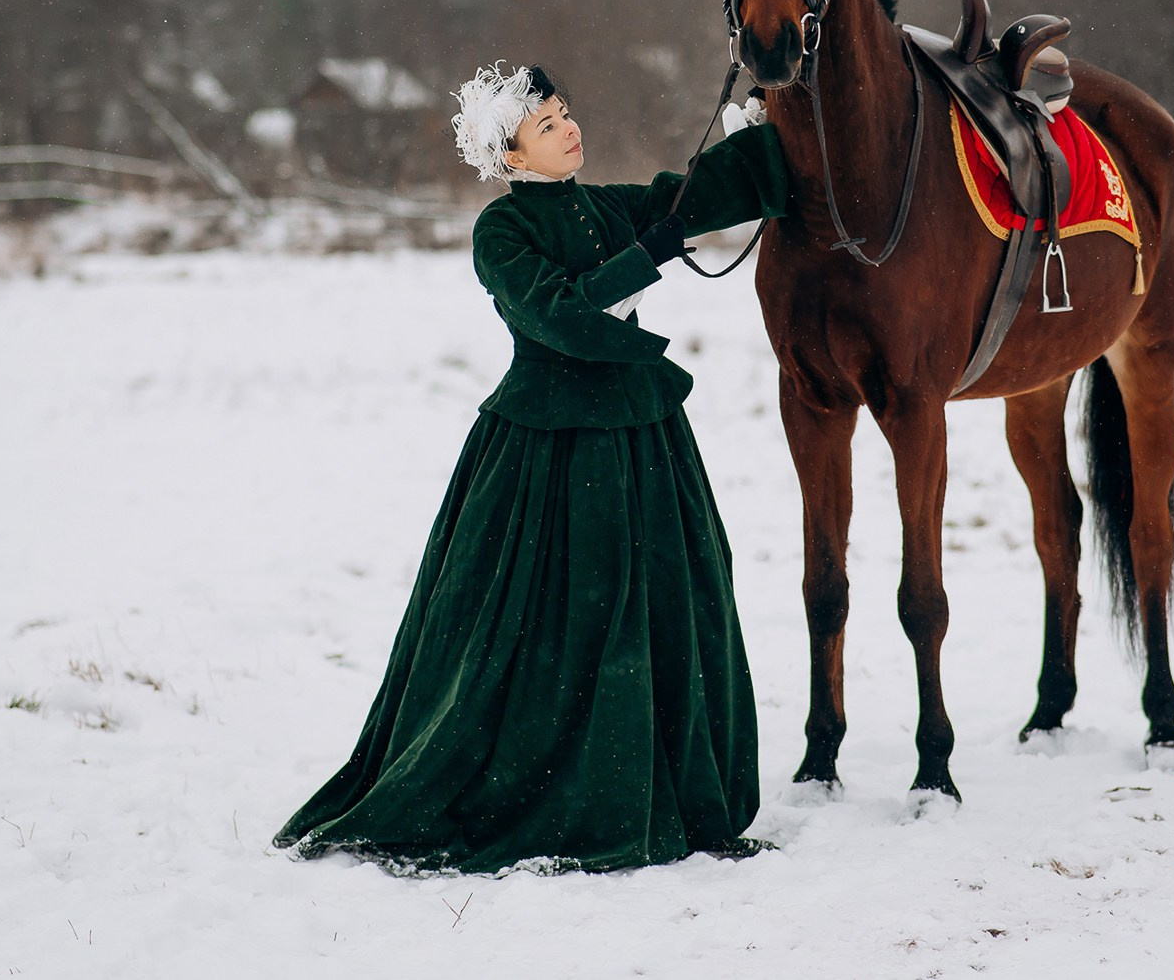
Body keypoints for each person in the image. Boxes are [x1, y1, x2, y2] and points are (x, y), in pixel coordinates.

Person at [273, 63, 789, 874]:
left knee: (670, 600)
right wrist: (644, 256)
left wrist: (762, 140)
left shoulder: (604, 204)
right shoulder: (500, 233)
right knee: (555, 620)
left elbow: (690, 198)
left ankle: (671, 788)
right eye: (547, 126)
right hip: (547, 451)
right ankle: (556, 792)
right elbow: (562, 317)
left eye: (567, 112)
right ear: (511, 157)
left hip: (642, 435)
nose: (570, 127)